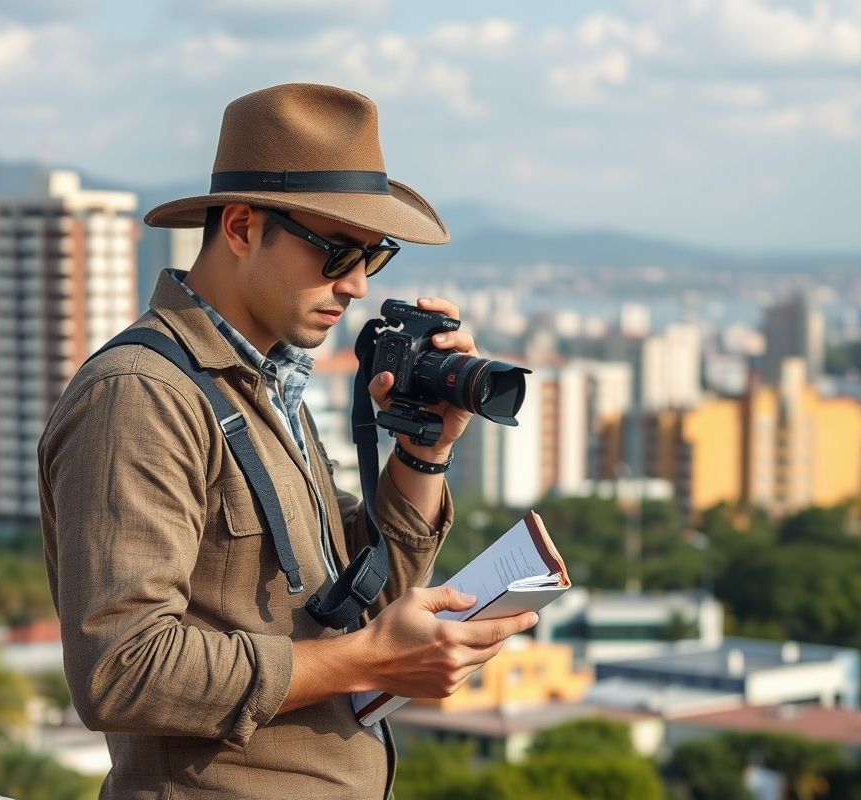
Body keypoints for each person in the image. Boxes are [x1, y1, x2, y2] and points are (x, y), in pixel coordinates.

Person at [38, 83, 537, 800]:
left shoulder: (266, 383)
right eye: (337, 254)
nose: (357, 285)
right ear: (242, 227)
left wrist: (424, 448)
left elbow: (360, 600)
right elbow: (123, 670)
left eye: (374, 257)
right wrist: (366, 660)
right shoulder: (142, 394)